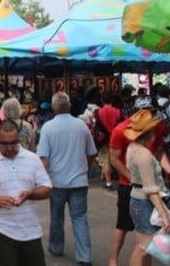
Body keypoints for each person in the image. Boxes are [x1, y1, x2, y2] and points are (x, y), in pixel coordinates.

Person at [0, 120, 52, 266]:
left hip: (31, 231)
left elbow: (47, 189)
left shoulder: (32, 159)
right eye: (4, 143)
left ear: (19, 138)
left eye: (14, 142)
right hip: (1, 230)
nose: (9, 148)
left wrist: (30, 194)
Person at [37, 92, 97, 266]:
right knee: (80, 218)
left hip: (56, 181)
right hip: (79, 180)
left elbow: (44, 158)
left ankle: (56, 247)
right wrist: (85, 168)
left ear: (53, 107)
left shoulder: (48, 128)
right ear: (69, 106)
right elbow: (92, 153)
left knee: (56, 216)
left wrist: (41, 178)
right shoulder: (81, 126)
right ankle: (84, 256)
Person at [125, 109, 170, 266]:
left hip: (138, 200)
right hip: (144, 203)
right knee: (143, 249)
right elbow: (151, 190)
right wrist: (164, 215)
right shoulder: (143, 154)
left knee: (144, 249)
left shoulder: (133, 148)